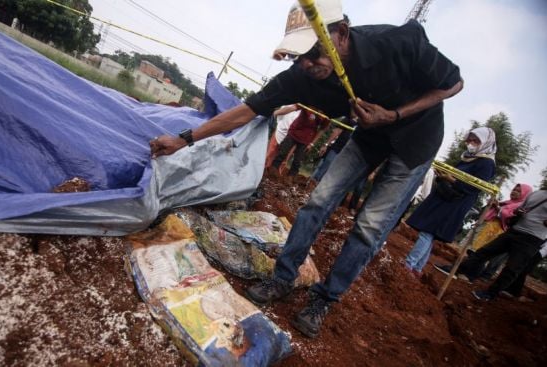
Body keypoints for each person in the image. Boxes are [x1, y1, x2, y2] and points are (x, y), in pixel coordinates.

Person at [150, 0, 463, 338]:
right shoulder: (303, 76)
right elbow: (247, 110)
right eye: (299, 56)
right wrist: (185, 139)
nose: (307, 63)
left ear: (341, 34)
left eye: (313, 52)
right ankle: (283, 278)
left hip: (415, 140)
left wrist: (395, 115)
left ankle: (323, 300)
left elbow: (454, 84)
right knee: (318, 201)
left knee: (369, 227)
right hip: (370, 136)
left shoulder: (397, 42)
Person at [404, 127, 497, 275]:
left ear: (486, 142)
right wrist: (443, 175)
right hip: (445, 197)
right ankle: (417, 268)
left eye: (475, 140)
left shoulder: (486, 163)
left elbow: (474, 187)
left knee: (427, 232)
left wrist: (451, 179)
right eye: (470, 139)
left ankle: (408, 265)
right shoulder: (468, 157)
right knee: (429, 234)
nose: (471, 143)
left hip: (454, 203)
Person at [437, 187, 547, 301]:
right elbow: (518, 209)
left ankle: (490, 294)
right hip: (514, 231)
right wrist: (518, 211)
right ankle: (457, 270)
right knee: (484, 252)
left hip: (532, 239)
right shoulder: (536, 194)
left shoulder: (536, 194)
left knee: (511, 269)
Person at [270, 109, 330, 178]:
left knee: (297, 161)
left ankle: (290, 177)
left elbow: (322, 129)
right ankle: (273, 170)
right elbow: (294, 107)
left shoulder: (327, 114)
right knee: (282, 152)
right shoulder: (310, 102)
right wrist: (276, 113)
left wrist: (312, 143)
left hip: (306, 139)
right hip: (294, 132)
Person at [309, 117, 355, 183]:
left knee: (334, 172)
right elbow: (336, 131)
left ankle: (317, 185)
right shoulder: (348, 119)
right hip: (336, 148)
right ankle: (312, 182)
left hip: (347, 154)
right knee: (324, 166)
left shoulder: (363, 125)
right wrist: (326, 144)